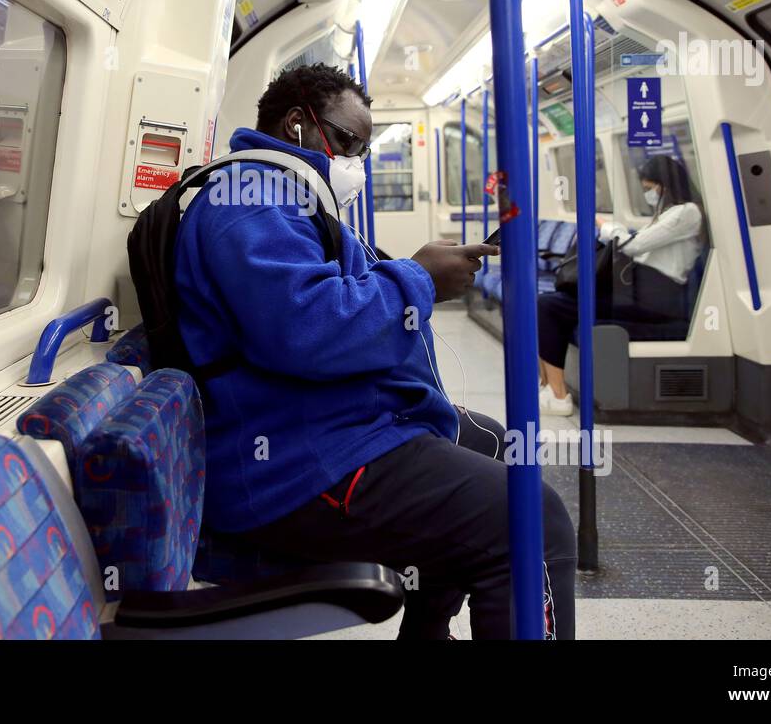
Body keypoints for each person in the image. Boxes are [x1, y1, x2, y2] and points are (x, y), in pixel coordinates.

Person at [174, 63, 577, 639]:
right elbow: (309, 331)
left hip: (325, 422)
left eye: (364, 148)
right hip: (296, 462)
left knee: (497, 442)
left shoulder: (289, 196)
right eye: (346, 141)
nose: (355, 161)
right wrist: (418, 279)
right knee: (534, 520)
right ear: (296, 124)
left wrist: (408, 272)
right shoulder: (253, 202)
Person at [537, 153, 705, 415]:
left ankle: (559, 396)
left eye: (650, 188)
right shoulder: (667, 214)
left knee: (549, 306)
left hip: (658, 299)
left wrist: (608, 228)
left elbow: (633, 246)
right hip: (641, 291)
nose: (648, 194)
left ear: (666, 184)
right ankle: (551, 388)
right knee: (548, 304)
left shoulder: (687, 213)